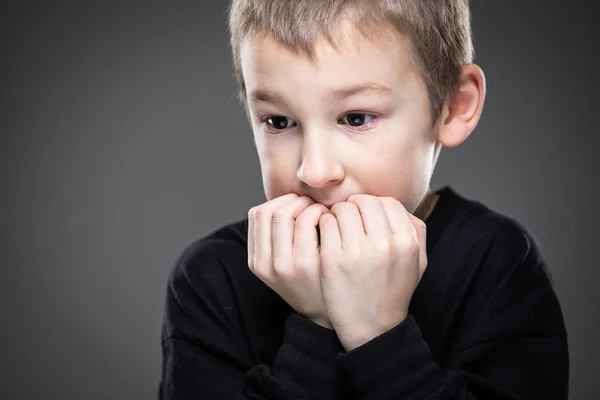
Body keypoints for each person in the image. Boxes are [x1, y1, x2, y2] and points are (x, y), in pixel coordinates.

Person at [159, 0, 569, 398]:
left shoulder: (496, 260)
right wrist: (316, 326)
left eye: (356, 118)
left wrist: (380, 335)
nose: (314, 171)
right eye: (279, 121)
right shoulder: (210, 278)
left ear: (452, 106)